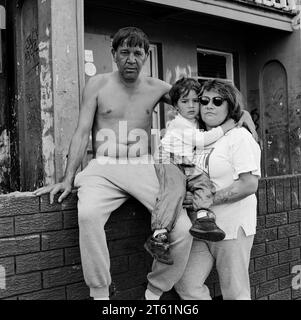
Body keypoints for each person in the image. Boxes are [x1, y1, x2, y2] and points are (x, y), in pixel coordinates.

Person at [33, 27, 257, 300]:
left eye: (137, 53)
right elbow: (81, 132)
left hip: (143, 166)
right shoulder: (97, 84)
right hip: (103, 168)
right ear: (113, 54)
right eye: (124, 52)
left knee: (183, 230)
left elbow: (198, 98)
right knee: (88, 216)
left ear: (146, 56)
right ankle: (100, 293)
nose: (131, 59)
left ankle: (155, 290)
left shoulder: (157, 87)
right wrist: (68, 178)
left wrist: (240, 110)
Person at [174, 79, 261, 300]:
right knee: (186, 285)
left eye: (217, 100)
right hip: (200, 229)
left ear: (229, 106)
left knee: (235, 293)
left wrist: (206, 200)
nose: (209, 105)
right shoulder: (199, 138)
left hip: (232, 227)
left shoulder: (239, 137)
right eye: (204, 101)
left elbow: (249, 184)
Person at [144, 77, 237, 266]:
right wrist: (226, 127)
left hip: (186, 161)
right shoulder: (179, 123)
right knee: (174, 191)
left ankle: (203, 217)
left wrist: (242, 116)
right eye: (185, 102)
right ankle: (158, 235)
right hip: (168, 159)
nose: (192, 106)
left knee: (204, 182)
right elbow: (202, 140)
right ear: (176, 106)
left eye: (196, 100)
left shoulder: (195, 121)